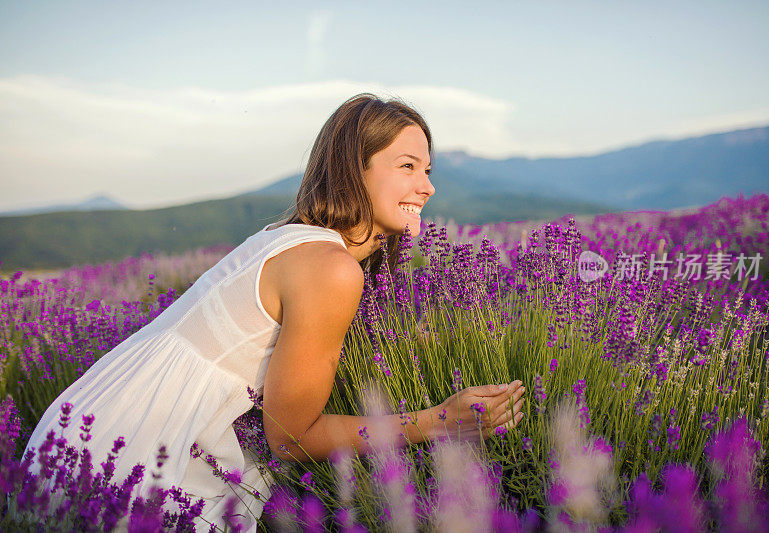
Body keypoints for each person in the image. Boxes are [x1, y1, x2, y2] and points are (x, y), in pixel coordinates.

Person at [23, 93, 527, 531]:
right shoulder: (330, 267)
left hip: (92, 431)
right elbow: (290, 439)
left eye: (428, 171)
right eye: (407, 167)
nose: (428, 187)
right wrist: (440, 420)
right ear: (356, 169)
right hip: (135, 456)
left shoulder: (287, 240)